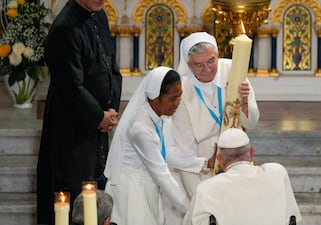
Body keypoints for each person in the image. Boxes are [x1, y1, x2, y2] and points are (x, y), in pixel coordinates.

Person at [36, 0, 122, 224]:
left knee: (97, 190)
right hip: (72, 130)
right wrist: (98, 117)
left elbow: (111, 66)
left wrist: (112, 107)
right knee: (75, 191)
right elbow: (71, 86)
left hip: (96, 125)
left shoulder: (99, 15)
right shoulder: (65, 28)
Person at [104, 66, 213, 225]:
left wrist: (204, 162)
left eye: (180, 96)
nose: (177, 103)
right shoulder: (140, 128)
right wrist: (191, 208)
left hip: (147, 185)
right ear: (156, 98)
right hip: (132, 191)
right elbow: (161, 172)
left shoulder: (157, 116)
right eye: (173, 98)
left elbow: (166, 153)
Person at [172, 32, 260, 198]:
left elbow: (252, 123)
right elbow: (184, 149)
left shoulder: (233, 69)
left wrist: (245, 101)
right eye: (199, 65)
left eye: (211, 61)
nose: (207, 69)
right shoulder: (181, 90)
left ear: (217, 56)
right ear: (189, 65)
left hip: (236, 157)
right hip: (202, 163)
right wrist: (199, 199)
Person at [183, 128, 302, 225]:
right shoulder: (277, 173)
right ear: (251, 152)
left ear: (219, 159)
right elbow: (294, 217)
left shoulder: (206, 189)